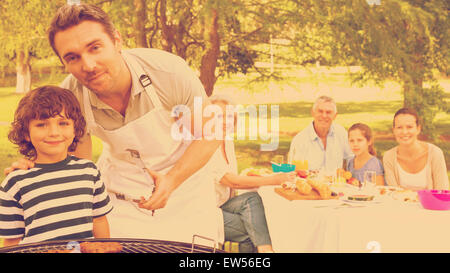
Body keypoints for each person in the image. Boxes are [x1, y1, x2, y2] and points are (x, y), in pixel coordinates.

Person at [5, 3, 222, 244]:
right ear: (64, 63)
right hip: (121, 197)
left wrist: (171, 181)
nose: (88, 65)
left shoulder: (168, 72)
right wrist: (36, 168)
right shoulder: (69, 98)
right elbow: (76, 165)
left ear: (117, 41)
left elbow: (211, 134)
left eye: (95, 48)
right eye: (73, 57)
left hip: (186, 188)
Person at [0, 86, 112, 246]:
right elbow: (11, 240)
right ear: (26, 133)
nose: (54, 132)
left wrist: (105, 248)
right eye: (41, 125)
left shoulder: (89, 171)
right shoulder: (15, 182)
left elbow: (99, 220)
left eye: (63, 123)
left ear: (75, 129)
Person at [210, 95, 296, 253]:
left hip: (224, 204)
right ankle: (266, 251)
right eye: (219, 116)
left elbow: (230, 178)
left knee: (254, 200)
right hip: (207, 211)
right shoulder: (207, 143)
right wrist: (273, 179)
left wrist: (253, 177)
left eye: (229, 116)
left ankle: (265, 250)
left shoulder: (226, 141)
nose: (224, 121)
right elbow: (230, 180)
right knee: (256, 228)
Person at [383, 108, 449, 190]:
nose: (404, 132)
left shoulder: (435, 153)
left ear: (418, 129)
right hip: (399, 203)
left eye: (409, 127)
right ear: (394, 130)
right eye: (399, 127)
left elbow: (442, 191)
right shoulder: (389, 157)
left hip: (431, 203)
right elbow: (393, 193)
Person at [288, 96, 353, 175]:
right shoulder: (300, 140)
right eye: (320, 111)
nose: (324, 115)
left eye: (328, 112)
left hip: (337, 185)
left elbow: (352, 159)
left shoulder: (341, 133)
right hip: (310, 185)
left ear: (335, 116)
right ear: (313, 113)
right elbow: (294, 172)